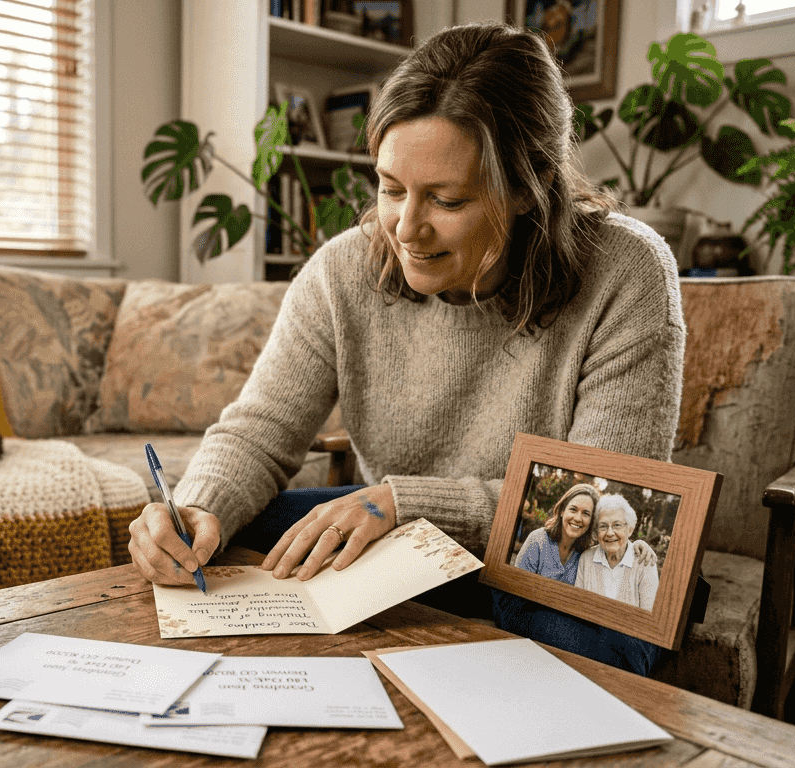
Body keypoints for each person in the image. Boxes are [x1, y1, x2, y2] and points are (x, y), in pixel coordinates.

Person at [126, 21, 684, 675]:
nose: (406, 229)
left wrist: (407, 502)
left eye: (446, 199)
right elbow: (258, 432)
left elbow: (611, 500)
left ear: (529, 186)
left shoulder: (626, 268)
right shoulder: (342, 270)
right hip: (408, 545)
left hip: (553, 553)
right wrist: (197, 509)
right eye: (391, 189)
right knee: (233, 529)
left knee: (587, 599)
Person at [574, 494, 660, 611]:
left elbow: (649, 616)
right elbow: (578, 607)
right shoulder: (586, 559)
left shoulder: (644, 562)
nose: (610, 533)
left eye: (617, 525)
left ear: (629, 529)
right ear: (596, 532)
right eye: (603, 526)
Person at [513, 483, 598, 585]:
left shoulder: (586, 556)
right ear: (562, 510)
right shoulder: (537, 540)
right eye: (573, 509)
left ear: (591, 520)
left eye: (586, 513)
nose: (578, 518)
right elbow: (517, 586)